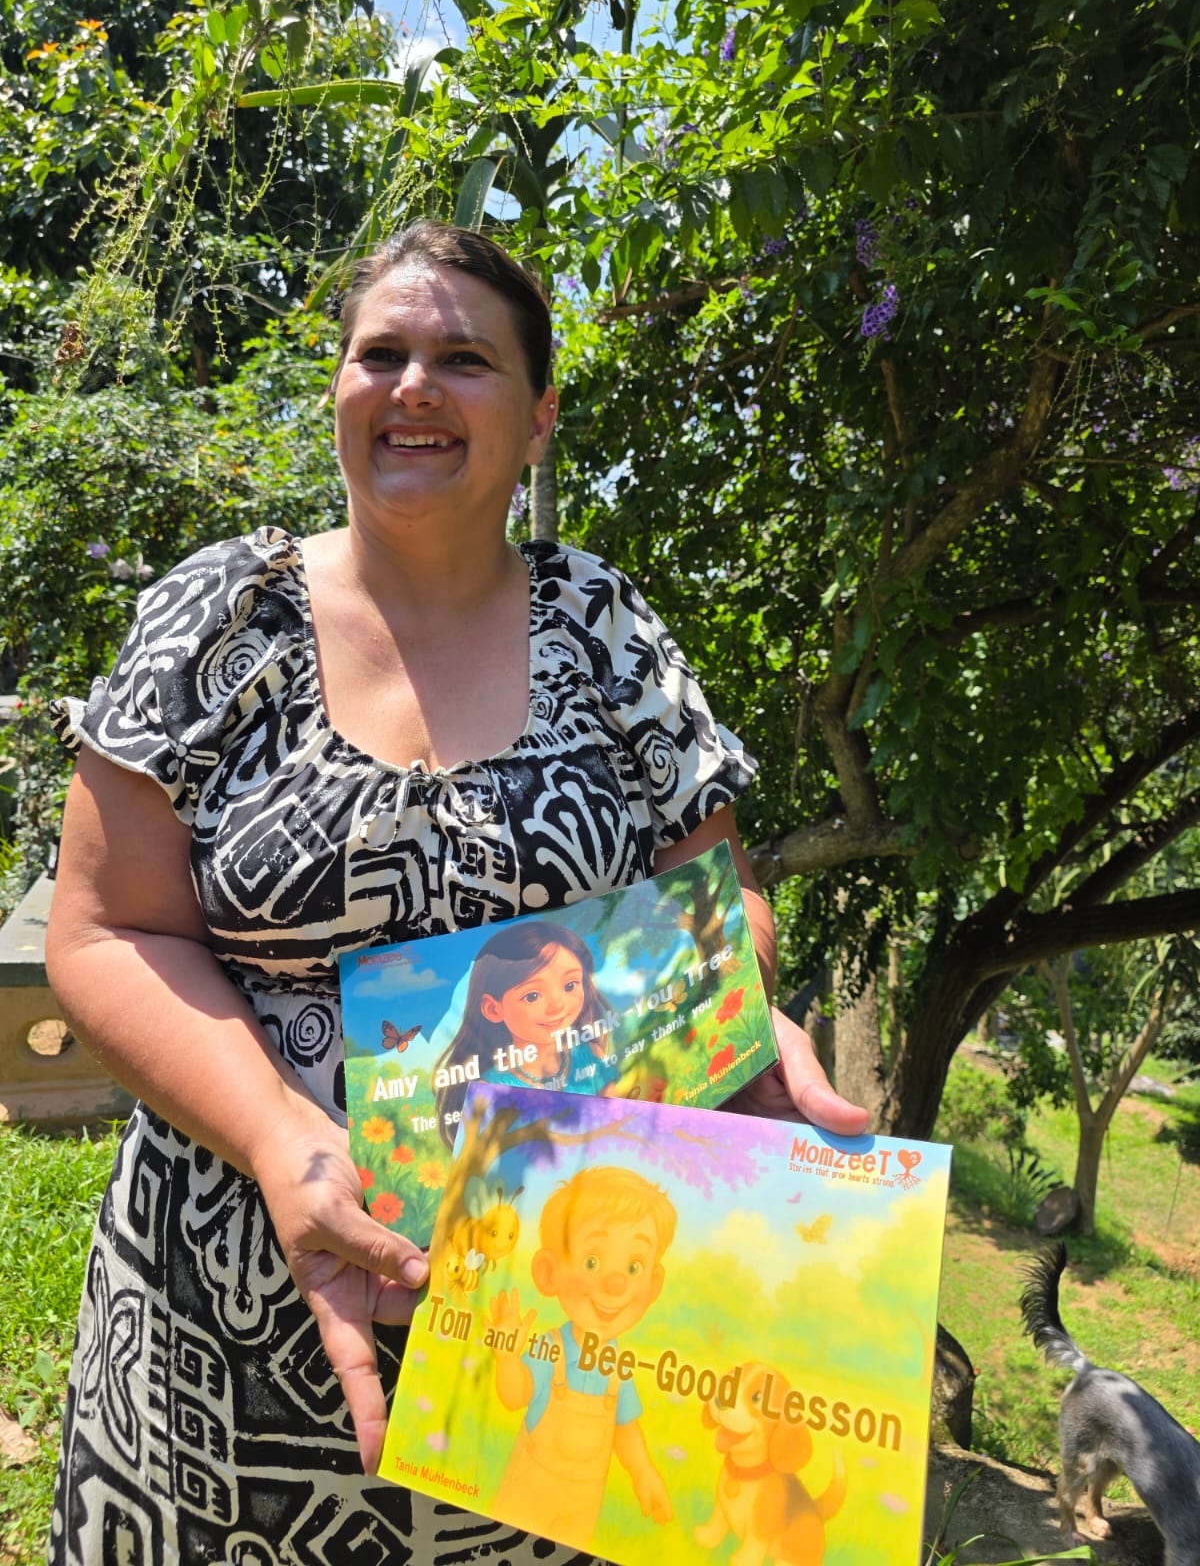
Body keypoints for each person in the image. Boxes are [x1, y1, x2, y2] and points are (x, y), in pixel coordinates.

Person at [44, 217, 869, 1565]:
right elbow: (104, 929)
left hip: (562, 1351)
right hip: (221, 1363)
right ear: (340, 393)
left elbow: (713, 896)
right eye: (384, 353)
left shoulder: (608, 628)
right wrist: (278, 1137)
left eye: (464, 360)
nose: (415, 384)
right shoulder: (217, 621)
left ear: (538, 420)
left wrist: (729, 1019)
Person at [487, 1166, 677, 1547]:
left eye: (633, 1267)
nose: (616, 1284)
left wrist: (642, 1472)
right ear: (548, 1272)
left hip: (581, 1513)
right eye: (592, 1261)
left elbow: (625, 1427)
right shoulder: (551, 1348)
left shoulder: (617, 1364)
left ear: (653, 1285)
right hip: (524, 1503)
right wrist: (507, 1357)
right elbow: (513, 1397)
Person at [435, 920, 617, 1142]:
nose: (557, 1006)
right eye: (532, 996)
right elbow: (485, 1166)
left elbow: (618, 1124)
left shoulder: (590, 1055)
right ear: (493, 1008)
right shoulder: (490, 1091)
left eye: (570, 985)